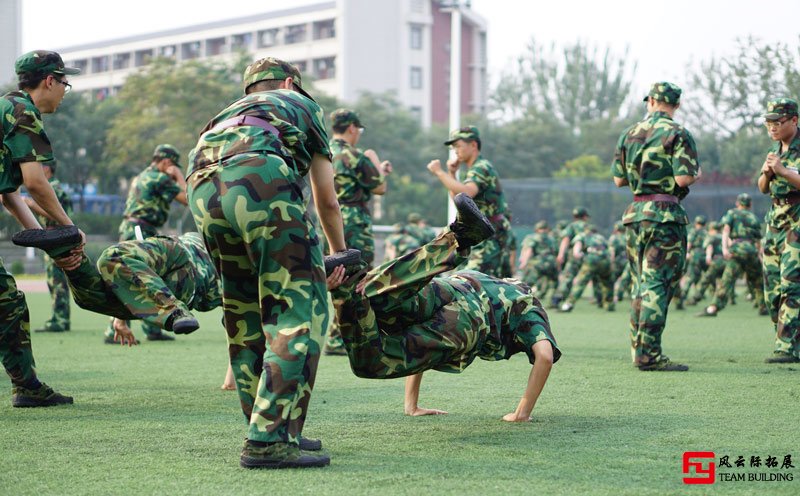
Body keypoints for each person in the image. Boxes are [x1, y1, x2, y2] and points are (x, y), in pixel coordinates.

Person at [186, 57, 346, 469]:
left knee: (242, 312)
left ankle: (272, 426)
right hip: (259, 174)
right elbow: (326, 197)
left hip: (201, 185)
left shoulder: (225, 114)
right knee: (299, 310)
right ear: (291, 82)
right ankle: (268, 439)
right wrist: (338, 252)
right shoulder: (300, 103)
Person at [330, 194, 560, 422]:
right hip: (469, 318)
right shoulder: (528, 305)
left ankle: (459, 236)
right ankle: (343, 289)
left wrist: (412, 404)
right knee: (369, 363)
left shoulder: (486, 278)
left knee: (374, 296)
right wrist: (522, 413)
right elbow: (545, 357)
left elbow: (417, 329)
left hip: (449, 286)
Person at [0, 50, 83, 407]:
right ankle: (28, 387)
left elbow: (8, 194)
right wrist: (70, 230)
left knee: (7, 303)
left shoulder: (7, 107)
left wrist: (51, 241)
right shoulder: (23, 112)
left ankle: (27, 387)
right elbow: (35, 183)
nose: (65, 90)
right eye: (64, 82)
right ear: (49, 81)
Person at [612, 81, 699, 371]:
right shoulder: (678, 133)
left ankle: (638, 350)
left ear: (650, 101)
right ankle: (649, 355)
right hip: (665, 214)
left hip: (635, 212)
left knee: (640, 283)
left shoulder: (629, 133)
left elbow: (619, 180)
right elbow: (684, 179)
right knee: (657, 284)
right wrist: (695, 173)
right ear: (676, 104)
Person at [24, 232, 219, 345]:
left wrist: (120, 318)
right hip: (179, 258)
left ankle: (69, 258)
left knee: (88, 298)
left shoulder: (231, 282)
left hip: (174, 284)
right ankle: (175, 312)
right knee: (112, 258)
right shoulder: (230, 265)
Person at [106, 143, 188, 343]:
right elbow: (187, 198)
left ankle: (144, 328)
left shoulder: (141, 176)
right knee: (143, 277)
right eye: (173, 166)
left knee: (127, 276)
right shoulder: (159, 178)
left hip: (131, 226)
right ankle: (122, 328)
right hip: (141, 229)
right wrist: (177, 175)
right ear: (166, 162)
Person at [426, 126, 511, 278]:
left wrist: (440, 172)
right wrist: (452, 173)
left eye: (458, 146)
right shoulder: (475, 168)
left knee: (473, 280)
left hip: (490, 233)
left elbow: (467, 193)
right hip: (484, 231)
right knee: (486, 281)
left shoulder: (481, 167)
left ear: (473, 145)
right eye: (454, 148)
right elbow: (459, 200)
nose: (456, 151)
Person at [757, 98, 800, 363]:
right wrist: (766, 173)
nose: (772, 127)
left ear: (794, 120)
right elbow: (762, 188)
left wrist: (782, 171)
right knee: (772, 288)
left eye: (778, 122)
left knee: (792, 283)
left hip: (797, 221)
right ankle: (787, 338)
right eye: (768, 123)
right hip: (775, 221)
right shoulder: (775, 150)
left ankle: (786, 347)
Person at [329, 109, 392, 267]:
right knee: (359, 272)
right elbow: (380, 187)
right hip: (353, 221)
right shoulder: (354, 155)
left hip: (328, 219)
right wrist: (373, 159)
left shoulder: (324, 152)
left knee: (333, 269)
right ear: (352, 128)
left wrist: (378, 170)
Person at [23, 160, 73, 333]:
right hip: (51, 238)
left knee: (58, 281)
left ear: (46, 169)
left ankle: (60, 319)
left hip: (58, 237)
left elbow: (56, 213)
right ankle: (57, 317)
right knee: (53, 281)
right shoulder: (49, 187)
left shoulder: (54, 188)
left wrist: (31, 205)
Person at [699, 194, 766, 317]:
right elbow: (758, 241)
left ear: (737, 203)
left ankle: (714, 308)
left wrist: (725, 249)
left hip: (736, 251)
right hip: (751, 251)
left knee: (727, 280)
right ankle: (763, 306)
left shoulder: (732, 213)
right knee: (758, 281)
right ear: (750, 205)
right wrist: (760, 257)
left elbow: (726, 230)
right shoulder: (754, 218)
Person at [560, 225, 614, 312]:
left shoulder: (582, 235)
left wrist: (579, 255)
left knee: (580, 283)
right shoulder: (601, 237)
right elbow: (611, 251)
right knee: (607, 284)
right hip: (605, 261)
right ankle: (609, 305)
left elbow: (576, 250)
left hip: (591, 260)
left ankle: (568, 304)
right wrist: (610, 263)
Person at [551, 207, 590, 307]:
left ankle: (557, 299)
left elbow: (565, 240)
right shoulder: (588, 227)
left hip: (574, 255)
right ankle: (602, 300)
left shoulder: (572, 226)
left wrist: (561, 254)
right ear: (585, 217)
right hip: (588, 256)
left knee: (568, 277)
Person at [517, 220, 558, 301]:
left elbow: (529, 250)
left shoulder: (531, 237)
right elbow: (555, 252)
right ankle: (553, 302)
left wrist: (524, 262)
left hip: (537, 263)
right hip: (551, 263)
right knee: (553, 283)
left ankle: (520, 297)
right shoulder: (551, 238)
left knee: (526, 282)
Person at [678, 216, 708, 307]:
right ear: (705, 224)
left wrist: (686, 253)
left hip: (695, 255)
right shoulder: (706, 233)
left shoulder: (693, 231)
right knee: (702, 277)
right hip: (704, 255)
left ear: (696, 223)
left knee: (691, 277)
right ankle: (697, 295)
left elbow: (689, 242)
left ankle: (682, 298)